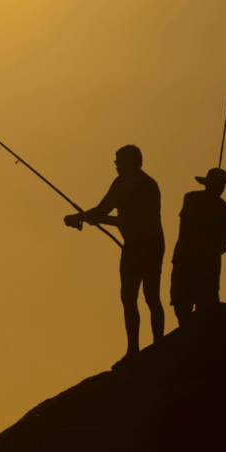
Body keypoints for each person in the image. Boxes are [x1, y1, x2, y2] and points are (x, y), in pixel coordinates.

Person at [64, 145, 165, 369]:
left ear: (129, 163)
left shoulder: (124, 182)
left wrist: (79, 217)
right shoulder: (150, 183)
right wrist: (90, 217)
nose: (116, 165)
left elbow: (103, 211)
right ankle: (158, 345)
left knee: (131, 298)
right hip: (154, 244)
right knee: (151, 296)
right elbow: (117, 217)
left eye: (118, 161)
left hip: (138, 245)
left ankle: (134, 350)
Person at [170, 168, 226, 327]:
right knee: (195, 308)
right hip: (203, 263)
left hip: (191, 261)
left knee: (188, 307)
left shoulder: (192, 198)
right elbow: (222, 246)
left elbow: (186, 228)